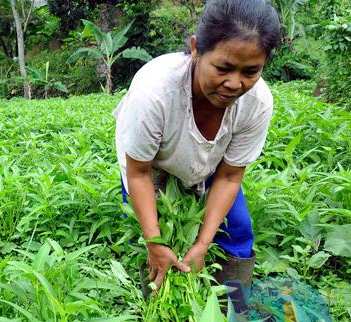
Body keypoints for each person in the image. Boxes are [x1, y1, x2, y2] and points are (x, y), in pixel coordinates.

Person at [112, 0, 282, 299]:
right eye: (223, 68)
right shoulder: (155, 92)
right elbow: (139, 173)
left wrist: (203, 243)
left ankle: (233, 310)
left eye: (251, 71)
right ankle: (153, 309)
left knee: (237, 233)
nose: (234, 83)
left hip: (210, 163)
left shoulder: (257, 103)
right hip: (150, 165)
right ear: (195, 49)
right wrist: (154, 241)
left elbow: (230, 177)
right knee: (151, 233)